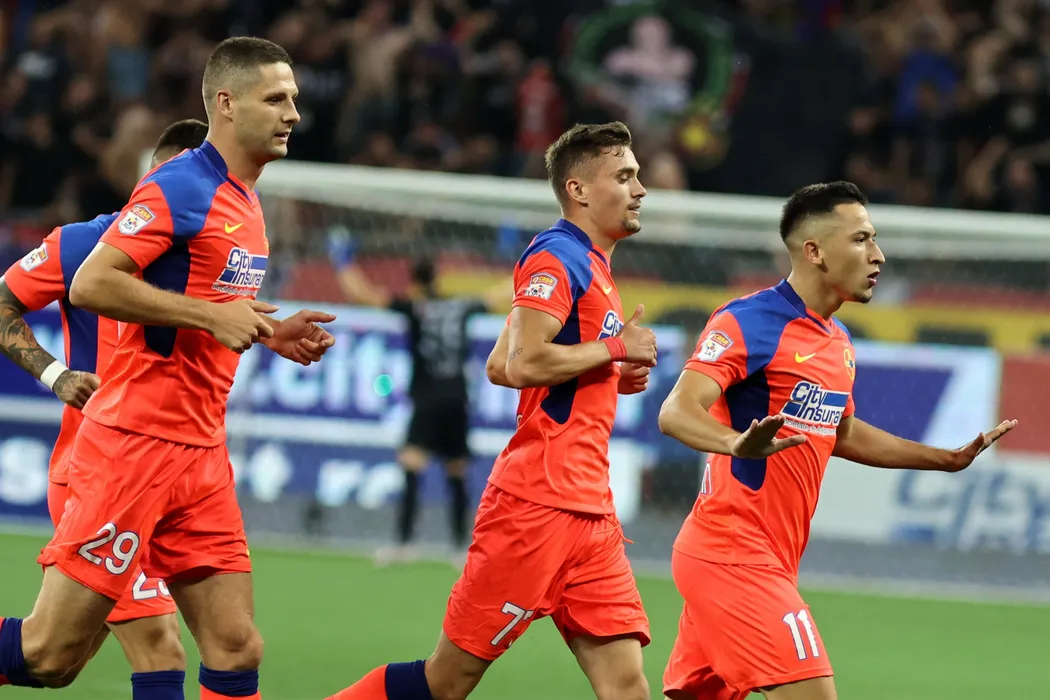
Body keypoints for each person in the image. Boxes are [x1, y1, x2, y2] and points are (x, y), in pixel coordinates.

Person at [0, 37, 336, 700]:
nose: (293, 113)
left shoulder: (244, 201)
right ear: (226, 103)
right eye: (276, 99)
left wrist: (269, 331)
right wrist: (211, 317)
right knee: (50, 656)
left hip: (199, 453)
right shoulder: (182, 184)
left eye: (294, 98)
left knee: (235, 647)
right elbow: (93, 283)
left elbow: (203, 305)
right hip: (135, 447)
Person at [330, 121, 658, 700]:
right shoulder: (557, 257)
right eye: (624, 176)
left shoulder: (591, 264)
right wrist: (612, 350)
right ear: (579, 190)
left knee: (626, 683)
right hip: (537, 506)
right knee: (446, 681)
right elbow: (525, 362)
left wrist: (611, 371)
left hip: (590, 512)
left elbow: (499, 364)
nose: (640, 189)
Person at [657, 181, 1017, 700]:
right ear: (815, 251)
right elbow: (676, 411)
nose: (878, 255)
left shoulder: (837, 340)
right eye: (862, 239)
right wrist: (735, 443)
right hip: (732, 554)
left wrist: (944, 459)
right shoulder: (748, 321)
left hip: (772, 558)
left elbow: (841, 430)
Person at [0, 119, 208, 695]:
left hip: (169, 476)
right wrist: (55, 374)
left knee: (56, 665)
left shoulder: (217, 260)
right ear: (155, 180)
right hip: (101, 474)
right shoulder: (83, 244)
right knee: (159, 650)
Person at [337, 253, 507, 566]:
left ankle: (404, 543)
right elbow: (499, 297)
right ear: (437, 278)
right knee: (457, 470)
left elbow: (363, 294)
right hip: (456, 397)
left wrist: (343, 262)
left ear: (414, 282)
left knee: (412, 464)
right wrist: (531, 268)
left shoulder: (414, 307)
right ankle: (460, 547)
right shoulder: (460, 306)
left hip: (427, 399)